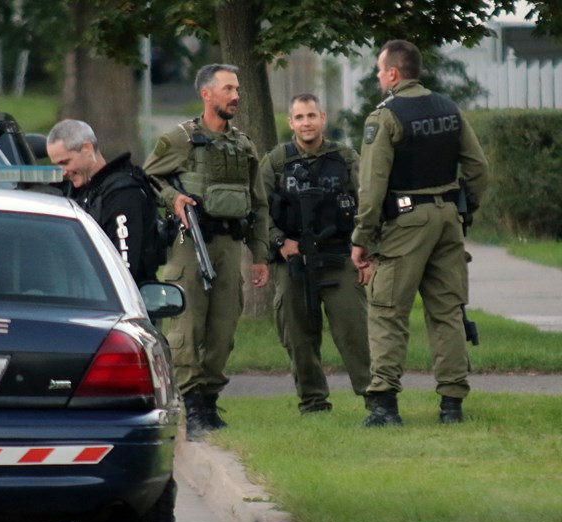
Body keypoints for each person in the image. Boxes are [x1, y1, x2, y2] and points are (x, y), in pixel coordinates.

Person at [351, 40, 489, 426]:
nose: (378, 77)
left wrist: (362, 237)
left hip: (405, 222)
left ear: (393, 73)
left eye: (380, 70)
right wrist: (465, 209)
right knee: (447, 312)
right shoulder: (448, 108)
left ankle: (384, 406)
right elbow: (479, 168)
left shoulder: (385, 116)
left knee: (387, 311)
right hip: (448, 219)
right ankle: (452, 406)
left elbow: (373, 185)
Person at [143, 63, 271, 439]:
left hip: (231, 246)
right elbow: (149, 177)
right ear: (207, 94)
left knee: (223, 327)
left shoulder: (244, 145)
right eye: (228, 89)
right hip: (189, 244)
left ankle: (211, 401)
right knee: (187, 326)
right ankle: (193, 405)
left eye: (237, 90)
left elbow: (258, 203)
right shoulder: (180, 139)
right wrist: (174, 198)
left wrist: (260, 255)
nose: (236, 96)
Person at [259, 94, 371, 415]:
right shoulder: (276, 162)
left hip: (340, 259)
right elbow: (257, 209)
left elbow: (368, 203)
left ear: (323, 118)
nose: (306, 123)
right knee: (298, 337)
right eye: (299, 117)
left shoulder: (346, 157)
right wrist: (280, 242)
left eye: (311, 116)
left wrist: (368, 253)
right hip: (293, 263)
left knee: (355, 332)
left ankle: (375, 399)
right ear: (291, 122)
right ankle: (313, 402)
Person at [46, 119, 160, 283]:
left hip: (122, 301)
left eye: (65, 162)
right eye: (57, 165)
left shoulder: (123, 195)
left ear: (87, 148)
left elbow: (124, 269)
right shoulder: (76, 191)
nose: (63, 172)